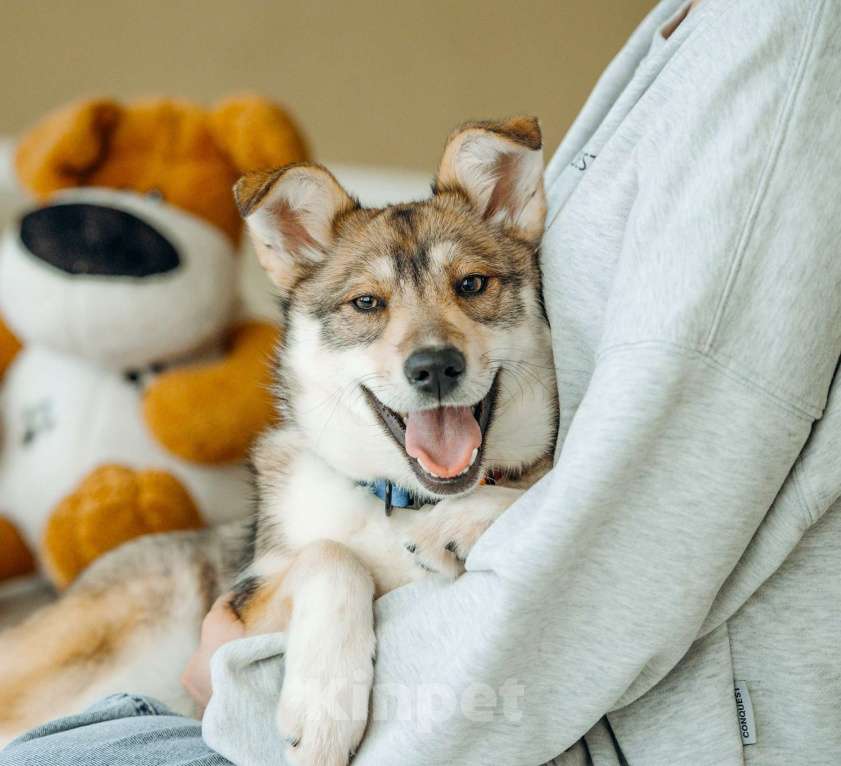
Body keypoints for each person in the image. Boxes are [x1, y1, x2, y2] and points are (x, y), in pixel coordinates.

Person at [4, 0, 841, 763]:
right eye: (368, 304)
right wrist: (324, 581)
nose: (430, 347)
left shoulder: (782, 56)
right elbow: (240, 625)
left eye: (469, 286)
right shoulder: (682, 37)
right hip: (199, 627)